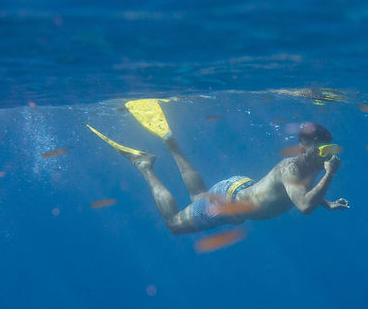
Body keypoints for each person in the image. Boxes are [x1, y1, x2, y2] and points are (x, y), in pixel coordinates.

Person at [87, 99, 349, 234]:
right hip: (227, 204)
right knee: (174, 225)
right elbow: (303, 205)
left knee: (198, 198)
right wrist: (330, 174)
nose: (327, 157)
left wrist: (327, 202)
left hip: (236, 191)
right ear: (304, 148)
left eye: (331, 150)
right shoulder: (292, 169)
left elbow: (300, 194)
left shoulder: (311, 165)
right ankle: (144, 166)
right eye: (323, 151)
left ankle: (170, 142)